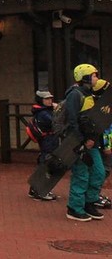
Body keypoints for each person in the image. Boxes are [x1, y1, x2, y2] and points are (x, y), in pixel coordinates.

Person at [64, 64, 105, 222]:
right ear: (85, 78)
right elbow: (72, 120)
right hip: (79, 142)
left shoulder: (91, 94)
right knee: (81, 175)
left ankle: (89, 203)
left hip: (91, 141)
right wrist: (82, 140)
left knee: (98, 172)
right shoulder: (75, 95)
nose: (97, 78)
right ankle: (75, 208)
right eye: (94, 75)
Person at [27, 90, 58, 200]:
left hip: (49, 139)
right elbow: (55, 122)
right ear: (41, 100)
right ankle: (38, 190)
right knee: (45, 163)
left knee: (45, 162)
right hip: (47, 140)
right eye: (46, 99)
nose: (50, 101)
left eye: (50, 98)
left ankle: (35, 189)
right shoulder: (43, 113)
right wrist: (58, 110)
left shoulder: (44, 111)